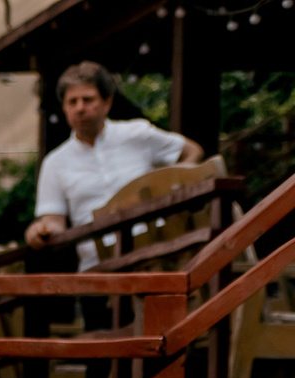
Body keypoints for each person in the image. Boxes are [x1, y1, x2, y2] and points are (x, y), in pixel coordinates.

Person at [26, 63, 203, 257]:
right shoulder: (54, 162)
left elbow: (192, 151)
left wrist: (173, 190)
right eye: (72, 102)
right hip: (98, 266)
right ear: (64, 108)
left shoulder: (137, 133)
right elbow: (53, 221)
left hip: (156, 252)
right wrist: (40, 230)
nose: (80, 108)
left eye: (87, 99)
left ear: (107, 102)